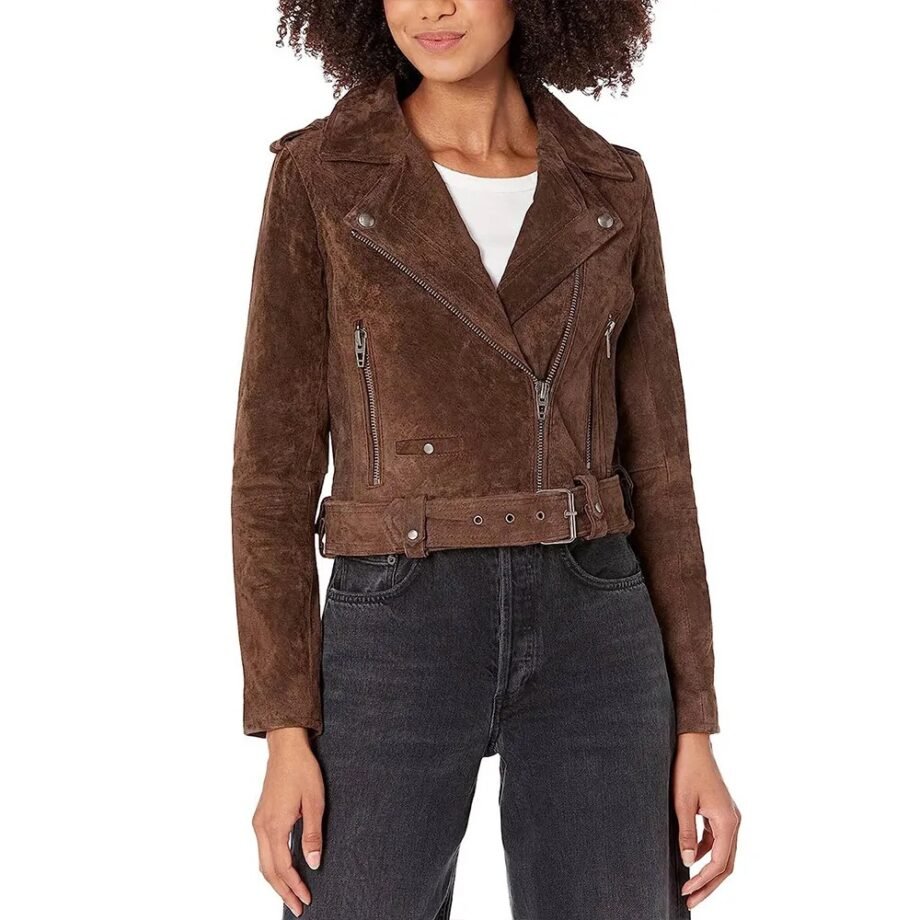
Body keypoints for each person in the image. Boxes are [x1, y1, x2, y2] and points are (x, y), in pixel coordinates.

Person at [231, 1, 740, 917]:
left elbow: (663, 469)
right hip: (396, 622)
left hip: (596, 624)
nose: (432, 8)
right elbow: (271, 472)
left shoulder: (611, 184)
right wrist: (283, 728)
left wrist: (695, 726)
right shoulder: (322, 174)